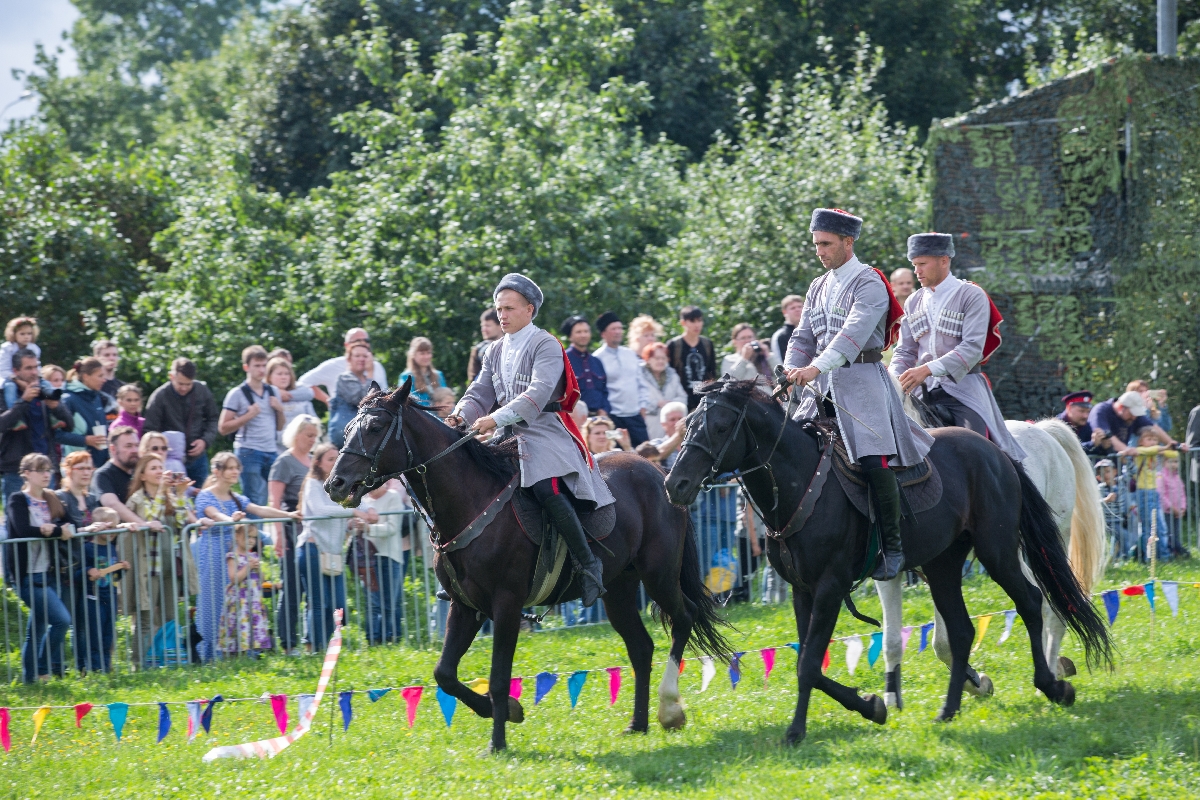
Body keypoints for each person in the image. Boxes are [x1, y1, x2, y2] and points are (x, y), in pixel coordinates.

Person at [447, 273, 616, 606]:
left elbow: (537, 396)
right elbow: (478, 393)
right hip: (505, 433)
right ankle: (462, 569)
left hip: (544, 430)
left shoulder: (546, 343)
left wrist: (495, 418)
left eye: (509, 308)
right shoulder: (493, 350)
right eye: (499, 309)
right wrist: (459, 416)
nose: (502, 316)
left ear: (529, 309)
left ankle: (588, 563)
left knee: (543, 485)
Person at [784, 208, 934, 581]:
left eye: (826, 244)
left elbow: (851, 335)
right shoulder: (817, 286)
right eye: (816, 243)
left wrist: (815, 367)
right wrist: (790, 369)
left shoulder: (869, 282)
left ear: (848, 243)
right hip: (819, 390)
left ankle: (893, 547)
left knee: (873, 459)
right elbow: (802, 337)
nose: (819, 250)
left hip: (863, 382)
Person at [891, 232, 1026, 461]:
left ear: (944, 260)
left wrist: (927, 369)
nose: (917, 271)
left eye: (922, 264)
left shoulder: (971, 295)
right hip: (921, 392)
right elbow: (904, 352)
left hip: (964, 391)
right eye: (914, 265)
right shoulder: (913, 301)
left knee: (976, 453)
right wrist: (893, 381)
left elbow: (972, 348)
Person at [194, 451, 298, 661]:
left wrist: (289, 515)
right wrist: (230, 519)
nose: (235, 472)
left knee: (237, 605)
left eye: (237, 468)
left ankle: (238, 650)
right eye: (230, 468)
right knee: (212, 603)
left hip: (235, 555)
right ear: (217, 471)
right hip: (214, 556)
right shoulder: (205, 495)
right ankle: (210, 654)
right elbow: (214, 514)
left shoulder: (236, 498)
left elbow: (259, 509)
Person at [123, 453, 205, 667]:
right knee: (146, 619)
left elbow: (180, 521)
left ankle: (167, 661)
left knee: (171, 616)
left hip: (170, 566)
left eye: (161, 467)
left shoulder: (168, 495)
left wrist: (178, 493)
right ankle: (139, 664)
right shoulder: (137, 499)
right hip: (147, 568)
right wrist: (162, 491)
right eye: (153, 468)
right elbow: (152, 518)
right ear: (142, 475)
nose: (160, 471)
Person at [3, 453, 75, 682]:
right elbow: (23, 530)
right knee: (62, 620)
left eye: (48, 470)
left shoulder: (52, 498)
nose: (46, 474)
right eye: (40, 470)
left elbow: (70, 522)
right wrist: (54, 531)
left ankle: (30, 680)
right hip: (28, 576)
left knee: (36, 630)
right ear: (26, 473)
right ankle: (42, 667)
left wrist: (55, 528)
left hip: (50, 573)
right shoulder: (17, 499)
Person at [298, 443, 377, 649]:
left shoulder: (340, 483)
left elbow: (359, 500)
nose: (335, 463)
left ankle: (328, 645)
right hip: (312, 549)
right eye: (330, 459)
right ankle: (315, 647)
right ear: (318, 462)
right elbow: (320, 510)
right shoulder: (313, 484)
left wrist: (367, 513)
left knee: (338, 605)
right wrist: (353, 513)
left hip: (333, 552)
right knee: (318, 604)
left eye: (337, 458)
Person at [268, 414, 321, 655]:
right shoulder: (284, 462)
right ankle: (288, 643)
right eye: (309, 435)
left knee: (312, 588)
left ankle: (312, 640)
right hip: (290, 529)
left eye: (315, 436)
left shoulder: (313, 462)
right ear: (297, 434)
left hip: (312, 531)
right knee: (290, 587)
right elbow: (275, 501)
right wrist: (279, 535)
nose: (313, 440)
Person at [1, 348, 72, 501]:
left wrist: (56, 407)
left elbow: (69, 425)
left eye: (36, 367)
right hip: (17, 470)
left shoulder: (44, 390)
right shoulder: (5, 393)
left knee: (48, 518)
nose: (34, 372)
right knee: (17, 520)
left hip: (46, 468)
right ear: (16, 371)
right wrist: (23, 402)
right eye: (28, 368)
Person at [219, 345, 285, 506]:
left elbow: (280, 426)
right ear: (246, 367)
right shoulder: (237, 393)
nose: (261, 370)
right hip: (249, 451)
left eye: (264, 365)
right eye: (257, 366)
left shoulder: (273, 391)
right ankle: (254, 531)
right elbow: (223, 428)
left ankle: (267, 531)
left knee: (276, 498)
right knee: (254, 500)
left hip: (271, 450)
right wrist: (248, 416)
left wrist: (280, 410)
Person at [143, 358, 221, 486]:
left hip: (197, 456)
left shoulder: (202, 390)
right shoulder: (160, 396)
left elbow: (213, 418)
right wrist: (161, 451)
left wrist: (205, 440)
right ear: (171, 376)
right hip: (169, 460)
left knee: (200, 494)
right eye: (180, 384)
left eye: (188, 384)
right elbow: (150, 430)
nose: (184, 388)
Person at [73, 506, 126, 674]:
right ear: (97, 526)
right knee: (94, 635)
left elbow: (113, 576)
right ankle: (94, 669)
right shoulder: (86, 548)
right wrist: (88, 571)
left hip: (109, 596)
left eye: (115, 528)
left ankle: (105, 667)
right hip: (91, 598)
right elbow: (76, 574)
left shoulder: (111, 547)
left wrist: (121, 568)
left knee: (108, 634)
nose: (112, 532)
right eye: (108, 527)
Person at [358, 479, 412, 644]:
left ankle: (390, 639)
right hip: (367, 558)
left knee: (389, 603)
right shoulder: (363, 502)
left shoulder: (393, 497)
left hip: (390, 557)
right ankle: (373, 640)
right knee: (372, 602)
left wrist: (368, 528)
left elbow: (392, 528)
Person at [593, 311, 652, 447]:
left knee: (646, 454)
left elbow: (641, 383)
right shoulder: (597, 358)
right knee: (617, 456)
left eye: (620, 328)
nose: (618, 332)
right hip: (614, 418)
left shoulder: (630, 354)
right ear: (603, 334)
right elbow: (600, 389)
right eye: (614, 329)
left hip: (635, 415)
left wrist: (643, 406)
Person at [219, 524, 273, 657]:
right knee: (236, 625)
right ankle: (233, 656)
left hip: (253, 600)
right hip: (239, 600)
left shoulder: (254, 556)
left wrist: (258, 569)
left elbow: (261, 580)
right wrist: (248, 567)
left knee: (251, 626)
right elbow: (234, 579)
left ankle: (250, 655)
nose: (251, 541)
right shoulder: (233, 556)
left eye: (254, 538)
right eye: (248, 536)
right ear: (237, 536)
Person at [297, 327, 388, 403]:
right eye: (358, 340)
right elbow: (303, 382)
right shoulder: (335, 367)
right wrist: (328, 401)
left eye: (366, 340)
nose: (363, 343)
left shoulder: (377, 366)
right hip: (347, 422)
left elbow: (384, 396)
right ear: (347, 345)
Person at [59, 357, 117, 468]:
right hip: (77, 466)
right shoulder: (68, 399)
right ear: (86, 376)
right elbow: (58, 434)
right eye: (100, 376)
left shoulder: (96, 397)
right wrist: (85, 440)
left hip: (99, 465)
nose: (104, 379)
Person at [1130, 429, 1178, 561]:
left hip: (1154, 492)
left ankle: (1164, 556)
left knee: (1161, 526)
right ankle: (1148, 558)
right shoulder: (1139, 452)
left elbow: (1173, 453)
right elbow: (1145, 450)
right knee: (1147, 527)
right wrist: (1162, 447)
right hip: (1143, 492)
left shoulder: (1157, 451)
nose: (1153, 442)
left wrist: (1176, 446)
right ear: (1141, 442)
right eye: (1149, 439)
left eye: (1155, 439)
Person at [1088, 391, 1179, 456]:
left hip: (1117, 469)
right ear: (1120, 407)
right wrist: (1127, 450)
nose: (1134, 417)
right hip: (1098, 467)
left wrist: (1174, 445)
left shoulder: (1134, 415)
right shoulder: (1101, 411)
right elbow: (1107, 436)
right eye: (1132, 413)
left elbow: (1154, 427)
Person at [90, 426, 146, 527]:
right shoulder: (102, 474)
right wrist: (143, 524)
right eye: (128, 446)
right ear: (113, 449)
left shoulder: (140, 472)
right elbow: (112, 504)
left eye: (136, 445)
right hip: (116, 539)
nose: (134, 450)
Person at [666, 306, 716, 411]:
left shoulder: (707, 344)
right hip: (681, 401)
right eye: (692, 321)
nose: (697, 324)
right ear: (683, 323)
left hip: (704, 401)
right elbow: (669, 373)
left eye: (699, 320)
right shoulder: (674, 345)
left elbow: (712, 372)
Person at [562, 315, 610, 417]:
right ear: (570, 336)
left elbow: (604, 390)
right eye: (578, 332)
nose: (583, 335)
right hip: (575, 418)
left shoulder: (596, 361)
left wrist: (604, 409)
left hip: (599, 418)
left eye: (586, 331)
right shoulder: (563, 361)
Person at [329, 342, 376, 448]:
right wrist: (370, 373)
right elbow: (361, 400)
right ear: (349, 359)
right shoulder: (344, 378)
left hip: (363, 438)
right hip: (344, 439)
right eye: (357, 356)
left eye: (365, 356)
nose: (361, 359)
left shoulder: (368, 379)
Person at [266, 357, 316, 452]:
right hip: (276, 448)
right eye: (279, 374)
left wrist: (286, 395)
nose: (284, 377)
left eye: (287, 373)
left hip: (302, 447)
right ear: (269, 376)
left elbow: (310, 393)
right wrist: (276, 393)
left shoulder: (302, 396)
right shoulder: (264, 395)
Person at [639, 343, 687, 439]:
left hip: (672, 423)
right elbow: (635, 399)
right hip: (649, 423)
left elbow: (683, 396)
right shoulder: (639, 375)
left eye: (663, 358)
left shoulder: (672, 375)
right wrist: (657, 404)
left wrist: (671, 405)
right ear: (648, 359)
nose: (661, 361)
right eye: (657, 358)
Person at [720, 323, 782, 391]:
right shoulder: (730, 359)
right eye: (743, 338)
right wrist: (744, 359)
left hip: (772, 398)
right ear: (735, 342)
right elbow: (730, 381)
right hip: (747, 400)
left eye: (750, 337)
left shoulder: (766, 356)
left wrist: (768, 355)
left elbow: (783, 375)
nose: (747, 341)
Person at [1096, 459, 1134, 560]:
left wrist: (1126, 460)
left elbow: (1132, 472)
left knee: (1118, 539)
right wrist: (1106, 500)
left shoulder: (1121, 483)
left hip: (1119, 519)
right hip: (1108, 521)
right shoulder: (1099, 488)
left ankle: (1116, 557)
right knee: (1124, 536)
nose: (1106, 475)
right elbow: (1095, 503)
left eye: (1108, 471)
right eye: (1102, 474)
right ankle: (1125, 558)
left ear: (1115, 472)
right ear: (1099, 477)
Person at [637, 401, 687, 470]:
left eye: (680, 419)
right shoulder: (657, 442)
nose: (677, 422)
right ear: (663, 424)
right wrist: (678, 435)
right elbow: (656, 455)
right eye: (672, 419)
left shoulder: (693, 443)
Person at [399, 337, 447, 406]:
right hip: (419, 415)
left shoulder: (438, 375)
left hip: (442, 415)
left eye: (428, 353)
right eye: (422, 353)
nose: (426, 356)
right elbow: (409, 402)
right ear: (413, 355)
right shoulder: (407, 376)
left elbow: (447, 398)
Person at [0, 317, 42, 383]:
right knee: (10, 386)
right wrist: (18, 381)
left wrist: (38, 376)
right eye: (22, 334)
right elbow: (3, 369)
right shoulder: (7, 348)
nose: (26, 337)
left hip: (30, 377)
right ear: (13, 334)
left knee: (45, 383)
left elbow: (37, 366)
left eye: (29, 333)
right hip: (10, 378)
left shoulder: (34, 348)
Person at [468, 309, 503, 383]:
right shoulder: (478, 349)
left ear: (500, 326)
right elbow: (473, 379)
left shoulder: (514, 347)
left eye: (488, 326)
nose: (484, 329)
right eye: (482, 326)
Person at [771, 295, 805, 363]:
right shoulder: (780, 336)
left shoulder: (813, 330)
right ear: (784, 312)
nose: (797, 310)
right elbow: (780, 363)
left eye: (800, 307)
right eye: (793, 308)